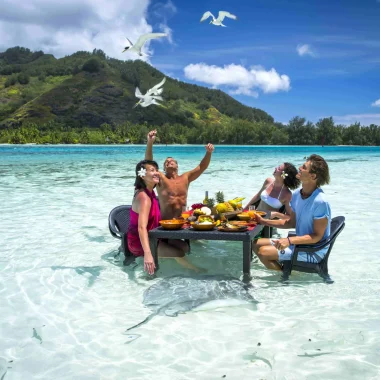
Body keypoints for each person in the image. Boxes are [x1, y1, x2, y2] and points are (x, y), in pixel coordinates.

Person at [252, 154, 331, 271]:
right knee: (255, 243)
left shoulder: (320, 201)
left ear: (313, 176)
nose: (299, 168)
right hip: (298, 243)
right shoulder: (297, 195)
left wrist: (289, 240)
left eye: (304, 167)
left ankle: (284, 279)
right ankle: (284, 269)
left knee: (263, 252)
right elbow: (291, 222)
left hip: (313, 251)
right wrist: (264, 221)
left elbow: (317, 236)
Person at [127, 160, 204, 274]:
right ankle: (196, 272)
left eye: (157, 170)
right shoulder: (144, 198)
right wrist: (148, 254)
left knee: (184, 247)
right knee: (178, 253)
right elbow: (141, 228)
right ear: (142, 175)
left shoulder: (149, 191)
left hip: (154, 235)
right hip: (140, 241)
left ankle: (175, 267)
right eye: (152, 170)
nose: (157, 173)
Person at [145, 129, 215, 219]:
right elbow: (149, 163)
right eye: (166, 162)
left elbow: (202, 167)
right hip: (166, 223)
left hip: (183, 222)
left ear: (177, 166)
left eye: (171, 160)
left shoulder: (185, 177)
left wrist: (209, 153)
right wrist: (150, 142)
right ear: (164, 168)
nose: (169, 161)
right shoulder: (161, 178)